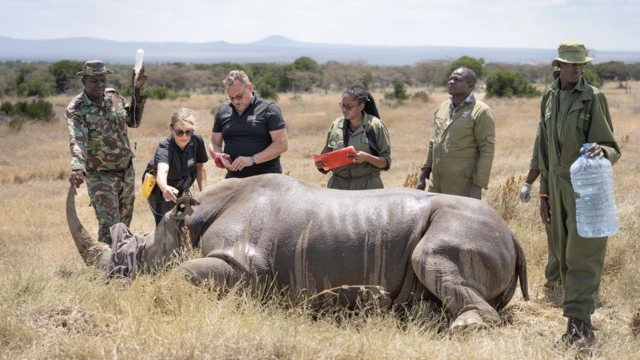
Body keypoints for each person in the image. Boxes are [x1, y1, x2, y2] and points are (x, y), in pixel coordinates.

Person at [537, 41, 621, 347]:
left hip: (585, 188)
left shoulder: (592, 97)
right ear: (558, 65)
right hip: (556, 187)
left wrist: (602, 151)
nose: (576, 69)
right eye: (571, 64)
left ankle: (579, 327)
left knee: (583, 254)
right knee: (562, 254)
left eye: (580, 64)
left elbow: (611, 146)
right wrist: (543, 193)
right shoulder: (549, 96)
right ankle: (574, 313)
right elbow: (543, 147)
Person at [66, 60, 147, 245]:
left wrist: (137, 91)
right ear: (84, 81)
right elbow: (78, 140)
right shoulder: (77, 109)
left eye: (102, 80)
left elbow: (133, 121)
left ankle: (124, 264)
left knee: (124, 226)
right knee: (109, 226)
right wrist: (77, 167)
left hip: (126, 172)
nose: (100, 85)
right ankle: (105, 268)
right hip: (100, 176)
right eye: (94, 81)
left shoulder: (114, 98)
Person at [416, 67, 496, 199]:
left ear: (470, 86)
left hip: (462, 184)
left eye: (457, 79)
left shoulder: (481, 111)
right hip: (436, 182)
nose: (451, 82)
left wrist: (478, 186)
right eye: (451, 79)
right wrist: (424, 174)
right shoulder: (441, 108)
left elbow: (487, 150)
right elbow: (434, 142)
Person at [520, 68, 561, 293]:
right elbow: (539, 156)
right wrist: (528, 184)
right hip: (551, 184)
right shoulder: (547, 113)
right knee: (553, 233)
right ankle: (554, 282)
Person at [209, 70, 288, 178]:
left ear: (250, 88)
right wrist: (219, 156)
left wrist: (252, 159)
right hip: (233, 179)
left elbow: (281, 144)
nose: (236, 101)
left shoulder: (268, 109)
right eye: (231, 98)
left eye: (239, 96)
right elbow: (214, 143)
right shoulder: (223, 112)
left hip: (266, 178)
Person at [314, 84, 391, 189]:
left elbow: (385, 162)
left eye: (349, 106)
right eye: (343, 105)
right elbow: (326, 158)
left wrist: (367, 158)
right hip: (338, 187)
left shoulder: (375, 126)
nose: (345, 110)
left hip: (367, 187)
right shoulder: (336, 125)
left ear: (361, 106)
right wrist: (320, 164)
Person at [144, 108, 208, 225]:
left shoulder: (197, 140)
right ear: (171, 128)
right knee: (166, 226)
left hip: (181, 185)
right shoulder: (165, 148)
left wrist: (204, 194)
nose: (184, 136)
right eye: (179, 132)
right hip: (159, 189)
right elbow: (162, 172)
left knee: (186, 223)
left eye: (189, 132)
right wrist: (165, 188)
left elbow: (200, 167)